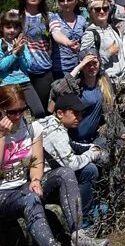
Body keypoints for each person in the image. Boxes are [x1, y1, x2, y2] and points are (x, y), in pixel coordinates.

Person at [0, 85, 109, 246]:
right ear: (1, 109)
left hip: (20, 186)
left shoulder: (32, 127)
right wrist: (2, 136)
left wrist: (36, 179)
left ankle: (78, 235)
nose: (18, 115)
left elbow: (37, 161)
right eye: (12, 112)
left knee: (65, 173)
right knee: (29, 198)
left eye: (22, 110)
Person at [39, 93, 108, 222]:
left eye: (80, 113)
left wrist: (93, 148)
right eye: (75, 113)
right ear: (60, 113)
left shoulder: (55, 124)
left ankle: (92, 204)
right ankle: (85, 219)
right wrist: (92, 154)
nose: (80, 117)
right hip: (44, 181)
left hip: (54, 175)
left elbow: (73, 145)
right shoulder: (54, 133)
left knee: (101, 144)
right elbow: (71, 164)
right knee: (89, 170)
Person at [0, 10, 47, 118]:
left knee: (39, 112)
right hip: (6, 83)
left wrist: (20, 52)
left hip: (24, 82)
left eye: (16, 27)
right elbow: (2, 66)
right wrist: (15, 53)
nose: (12, 30)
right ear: (2, 28)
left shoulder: (23, 44)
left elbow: (27, 66)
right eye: (8, 27)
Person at [17, 0, 53, 114]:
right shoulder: (15, 15)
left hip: (42, 70)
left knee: (40, 111)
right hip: (21, 70)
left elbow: (57, 33)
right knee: (18, 110)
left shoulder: (49, 17)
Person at [80, 0, 125, 88]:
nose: (102, 11)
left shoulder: (114, 29)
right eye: (97, 9)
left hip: (123, 81)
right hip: (105, 81)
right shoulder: (90, 34)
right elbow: (86, 62)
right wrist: (109, 52)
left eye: (105, 8)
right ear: (90, 12)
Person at [49, 0, 86, 80]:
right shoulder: (53, 18)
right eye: (62, 0)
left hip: (79, 67)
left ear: (75, 0)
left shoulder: (82, 20)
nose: (65, 3)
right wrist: (69, 43)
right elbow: (56, 34)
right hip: (59, 69)